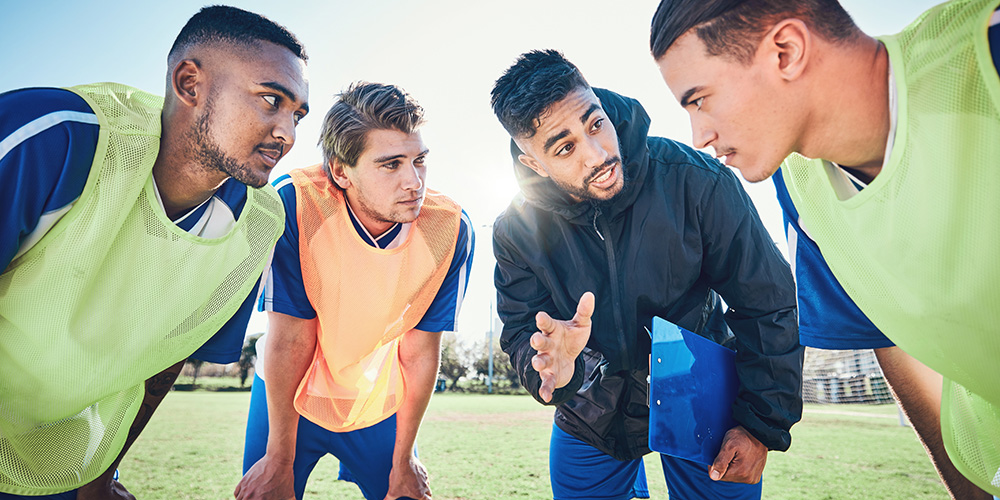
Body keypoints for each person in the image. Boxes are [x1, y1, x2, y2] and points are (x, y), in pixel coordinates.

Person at [650, 0, 1000, 497]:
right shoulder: (799, 181)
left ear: (786, 51)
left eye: (700, 99)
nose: (699, 135)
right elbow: (886, 335)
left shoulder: (987, 59)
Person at [0, 5, 308, 500]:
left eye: (297, 114)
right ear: (189, 83)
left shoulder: (258, 226)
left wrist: (103, 475)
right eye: (270, 100)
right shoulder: (55, 136)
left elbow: (167, 361)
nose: (288, 134)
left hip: (65, 465)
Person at [489, 49, 803, 500]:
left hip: (703, 391)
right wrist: (553, 369)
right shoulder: (515, 230)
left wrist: (760, 425)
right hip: (591, 413)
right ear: (534, 163)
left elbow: (768, 301)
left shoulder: (696, 181)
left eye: (595, 124)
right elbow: (523, 331)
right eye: (565, 147)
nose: (597, 154)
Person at [235, 81, 474, 500]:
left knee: (406, 493)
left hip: (377, 399)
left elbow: (418, 351)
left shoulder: (451, 229)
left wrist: (405, 463)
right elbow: (291, 338)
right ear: (341, 171)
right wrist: (278, 458)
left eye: (419, 161)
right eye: (391, 165)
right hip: (290, 393)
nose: (414, 182)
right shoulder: (294, 203)